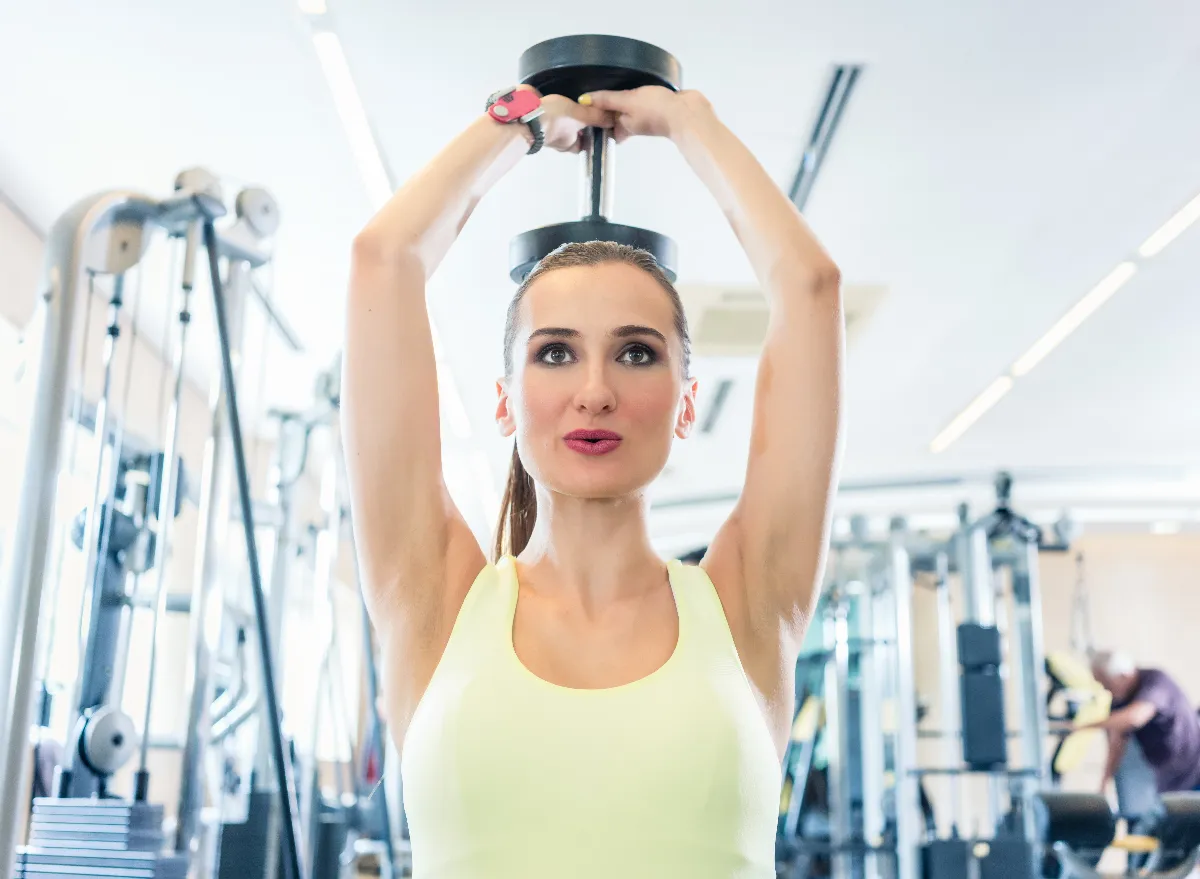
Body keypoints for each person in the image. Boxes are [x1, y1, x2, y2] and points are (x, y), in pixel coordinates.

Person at [342, 80, 842, 878]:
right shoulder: (434, 600)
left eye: (637, 351)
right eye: (556, 350)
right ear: (505, 401)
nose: (595, 389)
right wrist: (518, 124)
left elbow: (811, 288)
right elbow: (383, 259)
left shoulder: (746, 606)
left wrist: (689, 121)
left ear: (686, 402)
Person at [1085, 651, 1200, 795]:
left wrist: (1083, 726)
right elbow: (1116, 745)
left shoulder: (1156, 681)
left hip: (1194, 766)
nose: (1106, 690)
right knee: (1172, 811)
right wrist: (1103, 785)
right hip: (1168, 775)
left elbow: (1135, 717)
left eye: (1107, 684)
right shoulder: (1118, 701)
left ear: (1123, 676)